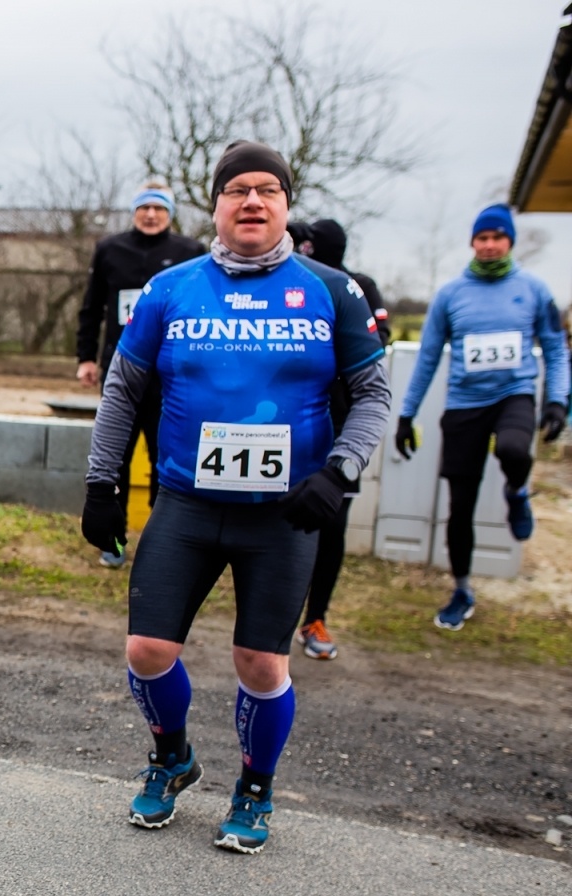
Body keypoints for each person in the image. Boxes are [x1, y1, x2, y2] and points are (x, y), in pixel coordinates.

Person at [80, 140, 391, 854]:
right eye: (237, 190)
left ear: (286, 204)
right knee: (147, 649)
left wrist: (338, 472)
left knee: (262, 663)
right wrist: (102, 483)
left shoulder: (331, 289)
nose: (252, 201)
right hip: (187, 502)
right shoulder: (171, 288)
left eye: (267, 190)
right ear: (216, 205)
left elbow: (374, 396)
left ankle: (255, 786)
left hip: (284, 514)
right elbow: (122, 391)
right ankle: (172, 758)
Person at [395, 204, 569, 632]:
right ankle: (462, 590)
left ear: (510, 241)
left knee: (513, 449)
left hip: (514, 396)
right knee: (461, 507)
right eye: (483, 238)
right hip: (464, 405)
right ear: (473, 242)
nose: (490, 245)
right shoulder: (451, 295)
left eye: (497, 237)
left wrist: (557, 401)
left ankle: (516, 491)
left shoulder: (533, 289)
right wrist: (406, 414)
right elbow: (428, 358)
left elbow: (555, 348)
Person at [75, 181, 205, 567]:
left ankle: (162, 540)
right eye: (144, 208)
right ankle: (112, 541)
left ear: (170, 214)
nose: (151, 215)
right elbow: (92, 307)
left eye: (159, 208)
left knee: (165, 458)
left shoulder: (190, 253)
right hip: (123, 372)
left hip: (171, 377)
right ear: (134, 211)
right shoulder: (110, 249)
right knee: (116, 457)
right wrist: (86, 357)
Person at [294, 218, 390, 660]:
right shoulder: (285, 285)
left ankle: (316, 618)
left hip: (342, 427)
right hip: (290, 428)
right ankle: (272, 618)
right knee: (279, 526)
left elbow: (379, 341)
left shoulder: (359, 287)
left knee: (331, 529)